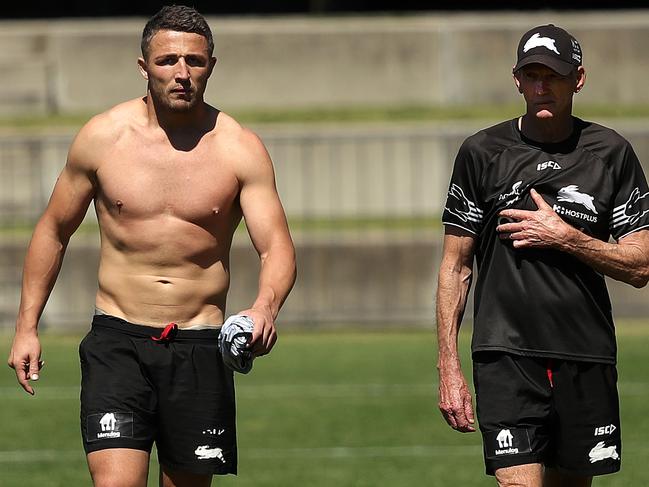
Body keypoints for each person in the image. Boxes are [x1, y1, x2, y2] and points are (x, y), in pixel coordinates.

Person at [7, 5, 296, 487]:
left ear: (211, 66)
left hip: (200, 344)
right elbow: (54, 229)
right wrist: (26, 326)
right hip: (118, 341)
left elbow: (277, 247)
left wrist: (266, 307)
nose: (181, 73)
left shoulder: (239, 148)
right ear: (144, 67)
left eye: (194, 61)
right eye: (167, 61)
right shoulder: (103, 137)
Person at [436, 24, 649, 487]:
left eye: (552, 75)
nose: (540, 86)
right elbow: (455, 265)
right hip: (505, 354)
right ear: (516, 80)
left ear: (578, 78)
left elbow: (641, 265)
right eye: (531, 75)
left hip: (585, 353)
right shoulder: (481, 153)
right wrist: (448, 366)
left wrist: (566, 236)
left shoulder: (611, 154)